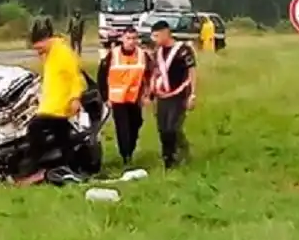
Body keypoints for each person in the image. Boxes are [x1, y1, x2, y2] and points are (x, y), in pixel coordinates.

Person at [17, 17, 86, 185]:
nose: (38, 51)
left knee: (35, 129)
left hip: (57, 105)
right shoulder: (50, 53)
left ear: (47, 40)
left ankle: (32, 167)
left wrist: (75, 98)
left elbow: (75, 77)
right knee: (63, 138)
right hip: (51, 103)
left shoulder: (63, 53)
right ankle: (72, 168)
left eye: (39, 47)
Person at [97, 27, 154, 166]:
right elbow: (101, 76)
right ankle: (126, 156)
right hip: (118, 99)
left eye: (134, 38)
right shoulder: (113, 55)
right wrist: (105, 98)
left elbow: (150, 75)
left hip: (135, 98)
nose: (131, 41)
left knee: (136, 123)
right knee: (123, 128)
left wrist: (148, 95)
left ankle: (130, 149)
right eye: (128, 38)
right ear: (122, 39)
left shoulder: (142, 55)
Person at [150, 20, 197, 169]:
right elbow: (156, 72)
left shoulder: (184, 50)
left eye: (157, 36)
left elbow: (192, 71)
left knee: (173, 127)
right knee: (163, 129)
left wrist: (193, 94)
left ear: (166, 33)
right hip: (163, 96)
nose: (154, 39)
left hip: (179, 95)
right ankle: (168, 158)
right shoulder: (157, 52)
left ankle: (179, 154)